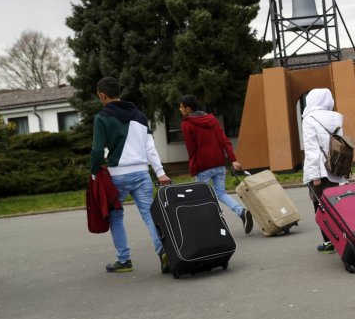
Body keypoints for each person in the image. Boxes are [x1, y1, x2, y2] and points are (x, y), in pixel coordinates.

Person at [91, 76, 172, 274]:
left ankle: (124, 260)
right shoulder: (140, 115)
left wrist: (94, 174)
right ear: (119, 92)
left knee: (116, 217)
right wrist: (160, 173)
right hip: (142, 173)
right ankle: (163, 252)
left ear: (102, 95)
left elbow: (97, 150)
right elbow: (150, 147)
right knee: (148, 214)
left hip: (117, 176)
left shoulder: (101, 118)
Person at [179, 95, 252, 234]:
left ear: (188, 109)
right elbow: (224, 140)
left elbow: (191, 149)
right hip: (219, 163)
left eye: (181, 107)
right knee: (220, 193)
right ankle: (241, 212)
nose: (180, 109)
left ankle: (215, 225)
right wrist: (233, 159)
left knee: (201, 197)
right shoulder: (211, 119)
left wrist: (193, 169)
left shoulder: (187, 124)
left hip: (203, 166)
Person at [301, 88, 347, 254]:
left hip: (320, 170)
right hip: (335, 168)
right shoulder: (336, 118)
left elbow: (311, 149)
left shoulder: (309, 119)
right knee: (338, 204)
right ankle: (346, 235)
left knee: (320, 206)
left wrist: (315, 177)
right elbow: (340, 146)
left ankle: (329, 241)